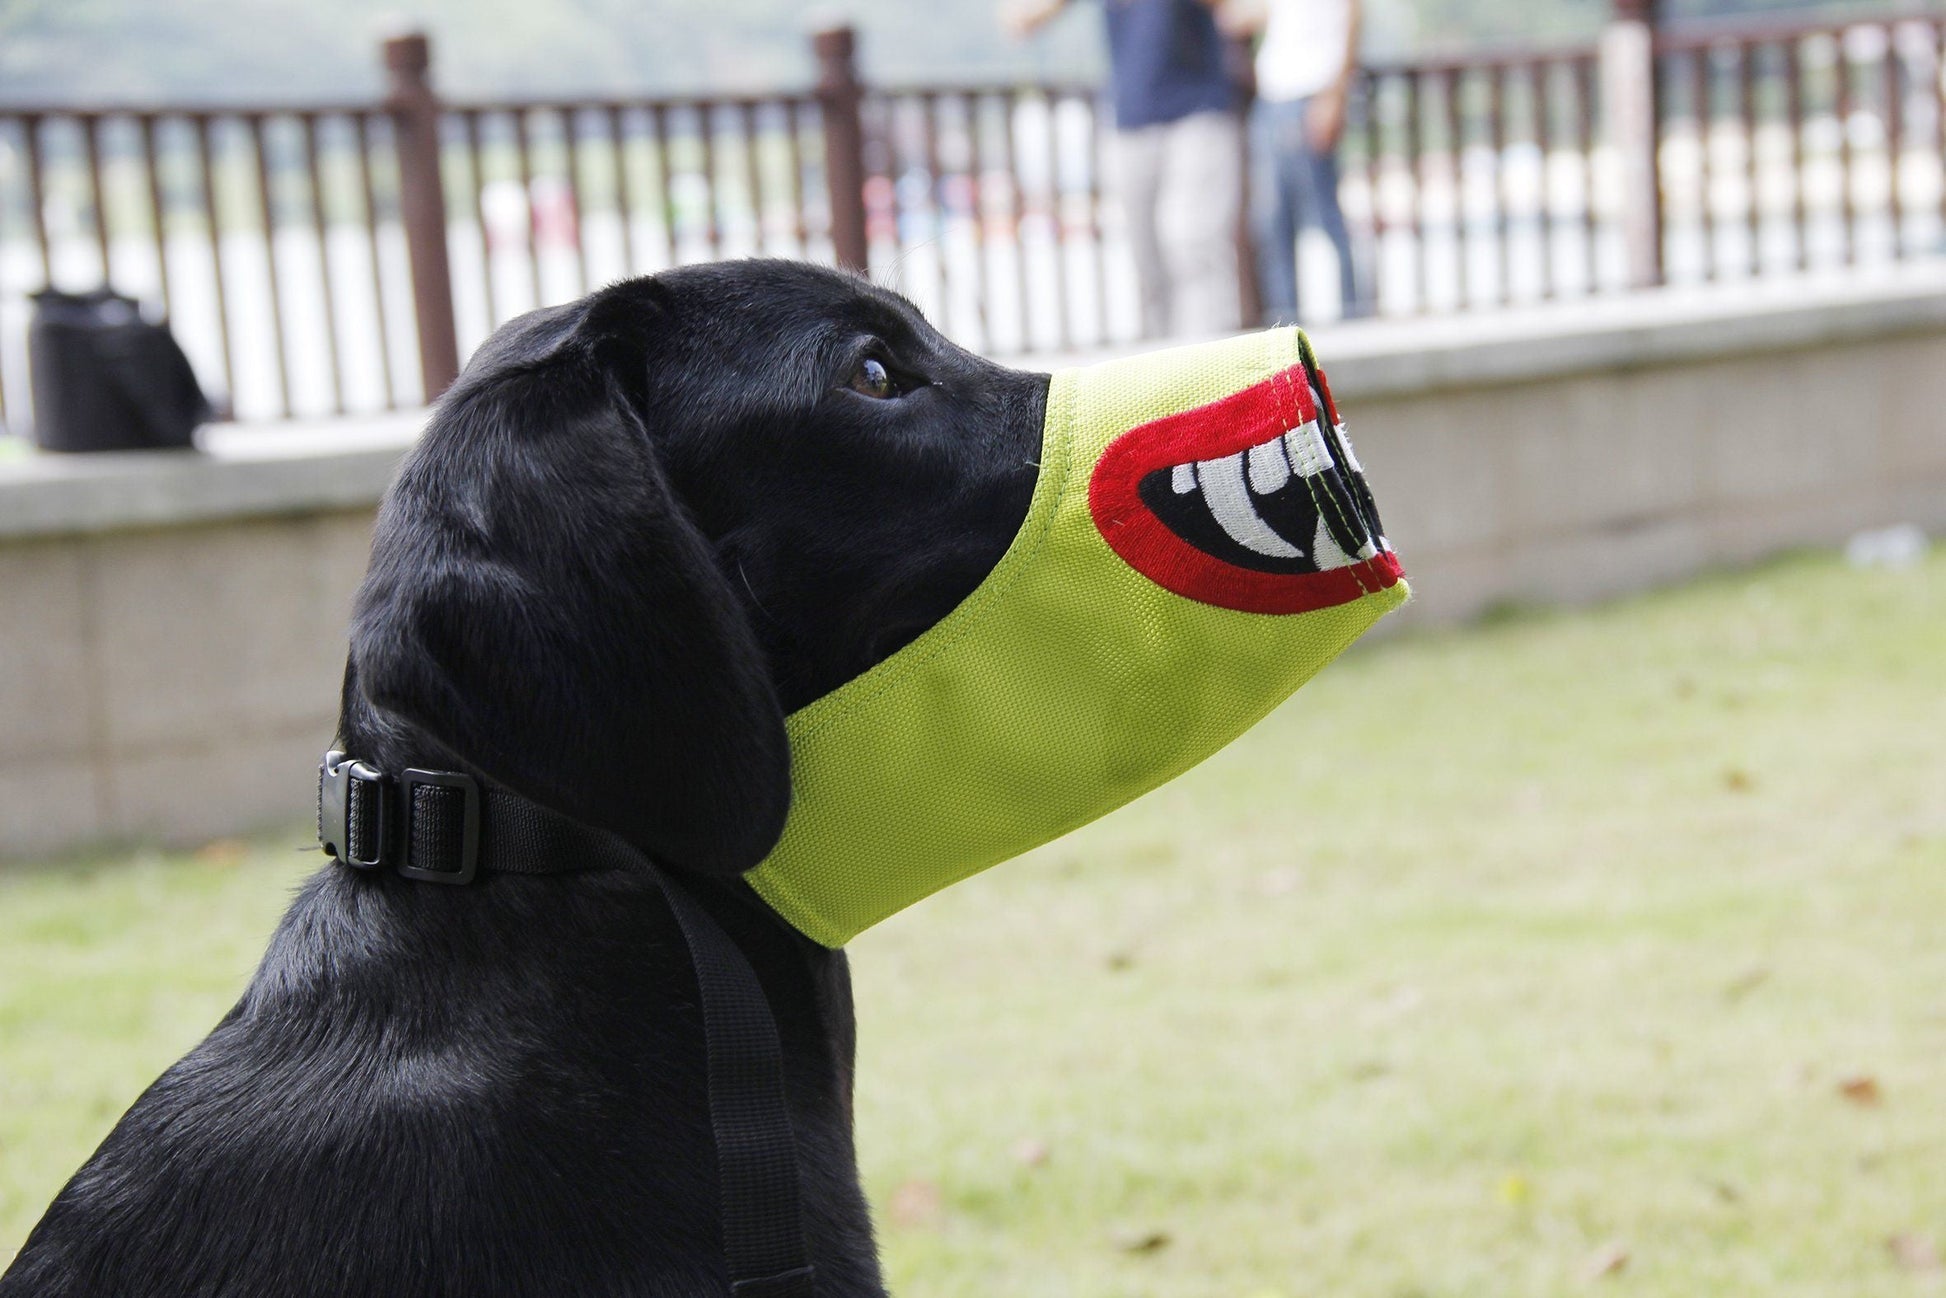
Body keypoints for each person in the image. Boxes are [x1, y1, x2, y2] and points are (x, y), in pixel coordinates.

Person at [1005, 0, 1244, 339]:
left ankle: (1212, 361)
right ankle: (1164, 362)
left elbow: (1245, 12)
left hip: (1198, 115)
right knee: (1146, 260)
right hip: (1130, 122)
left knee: (1193, 243)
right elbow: (1021, 19)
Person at [1238, 0, 1365, 322]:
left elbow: (1353, 14)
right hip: (1274, 99)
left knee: (1323, 220)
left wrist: (1335, 94)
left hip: (1309, 93)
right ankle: (1285, 328)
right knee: (1274, 224)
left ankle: (1352, 318)